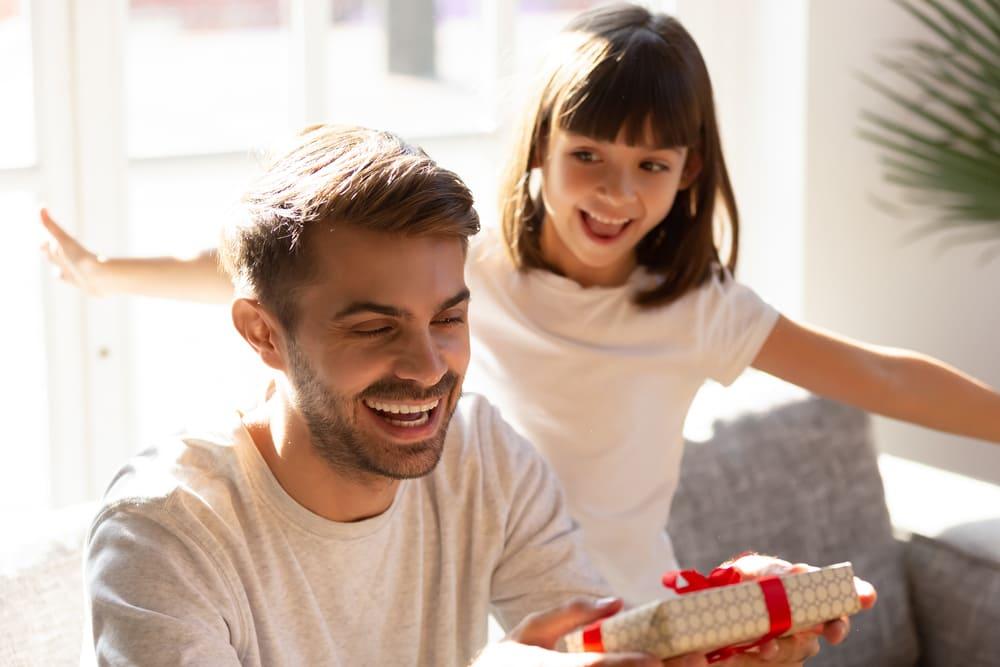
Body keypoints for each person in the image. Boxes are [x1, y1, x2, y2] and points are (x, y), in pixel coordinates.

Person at [42, 4, 981, 606]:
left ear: (689, 176)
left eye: (650, 167)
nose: (614, 195)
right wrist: (102, 273)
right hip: (496, 611)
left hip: (631, 609)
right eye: (589, 158)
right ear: (539, 148)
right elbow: (261, 268)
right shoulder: (475, 274)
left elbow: (872, 372)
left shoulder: (698, 307)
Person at [82, 124, 871, 667]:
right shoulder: (164, 532)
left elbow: (587, 638)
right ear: (263, 333)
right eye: (373, 327)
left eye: (449, 317)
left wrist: (723, 616)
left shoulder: (480, 450)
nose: (427, 367)